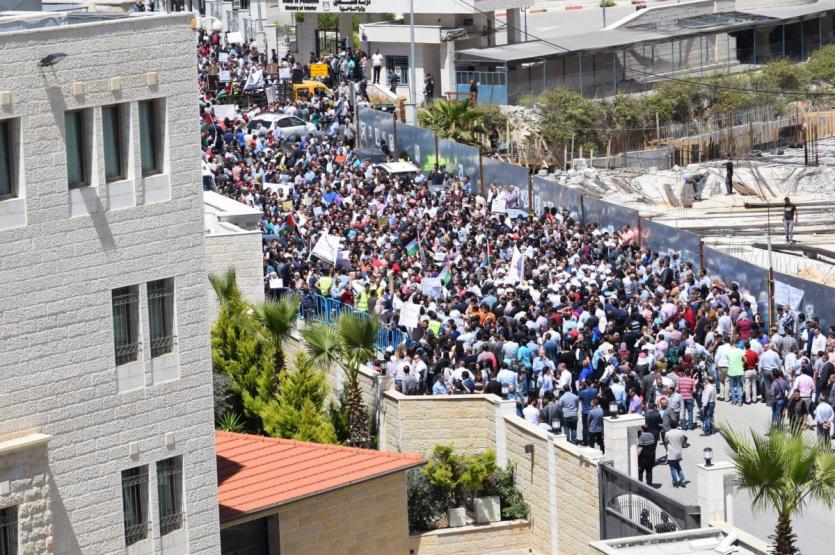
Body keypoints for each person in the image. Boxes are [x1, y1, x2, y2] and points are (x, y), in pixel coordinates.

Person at [665, 420, 687, 487]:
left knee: (673, 468)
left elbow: (666, 442)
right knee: (677, 466)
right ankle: (682, 479)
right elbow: (683, 440)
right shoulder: (680, 432)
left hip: (671, 453)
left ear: (670, 426)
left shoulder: (668, 433)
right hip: (679, 452)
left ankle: (675, 482)